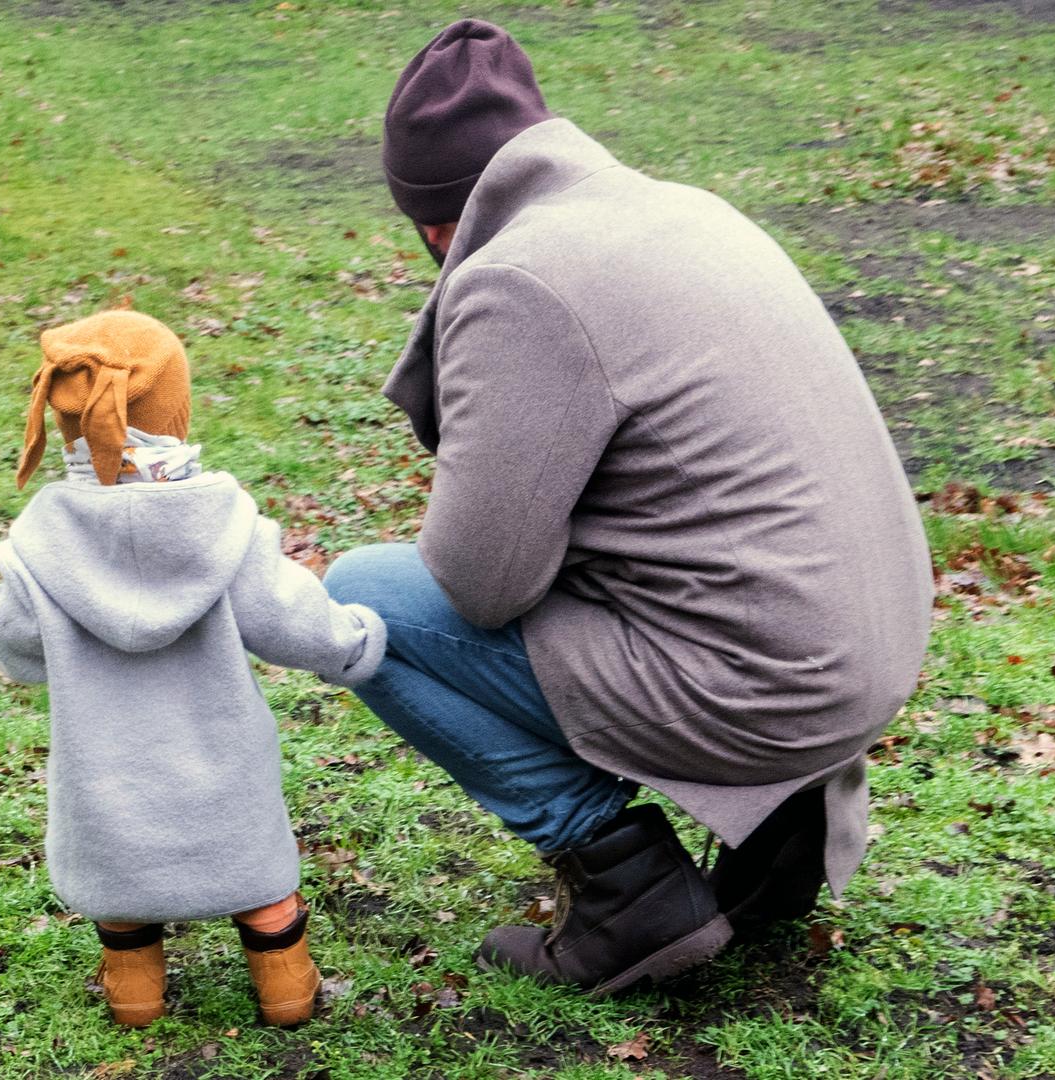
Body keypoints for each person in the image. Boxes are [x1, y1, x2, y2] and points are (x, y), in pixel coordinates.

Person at [322, 19, 934, 994]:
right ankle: (785, 822)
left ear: (437, 221)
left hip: (768, 681)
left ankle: (625, 887)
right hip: (864, 655)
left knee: (364, 603)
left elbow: (480, 583)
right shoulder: (684, 209)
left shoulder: (519, 276)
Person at [0, 310, 387, 1026]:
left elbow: (14, 648)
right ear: (174, 407)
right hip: (222, 768)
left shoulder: (40, 545)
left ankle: (135, 994)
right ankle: (286, 989)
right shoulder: (222, 524)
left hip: (106, 776)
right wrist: (354, 641)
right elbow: (289, 619)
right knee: (261, 887)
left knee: (122, 891)